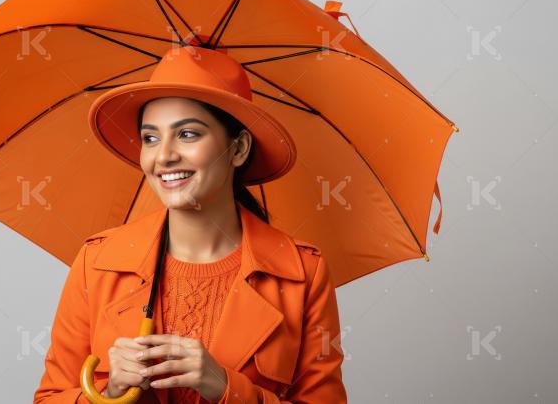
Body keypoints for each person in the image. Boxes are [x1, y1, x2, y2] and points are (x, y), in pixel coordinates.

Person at [33, 46, 347, 403]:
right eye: (150, 138)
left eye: (187, 134)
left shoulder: (303, 273)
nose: (164, 156)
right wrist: (108, 392)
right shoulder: (96, 264)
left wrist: (226, 387)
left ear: (239, 148)